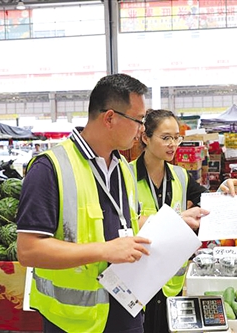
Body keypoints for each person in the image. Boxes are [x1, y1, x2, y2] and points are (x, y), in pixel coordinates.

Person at [16, 73, 152, 333]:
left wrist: (175, 224)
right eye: (138, 120)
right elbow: (29, 250)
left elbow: (126, 223)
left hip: (127, 309)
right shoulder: (50, 168)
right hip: (74, 321)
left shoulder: (123, 168)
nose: (141, 129)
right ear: (110, 118)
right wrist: (104, 250)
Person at [129, 109, 210, 333]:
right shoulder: (125, 176)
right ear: (145, 137)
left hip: (169, 286)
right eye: (166, 138)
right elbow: (126, 222)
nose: (173, 144)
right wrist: (176, 219)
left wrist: (228, 190)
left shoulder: (181, 177)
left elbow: (209, 203)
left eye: (176, 137)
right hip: (136, 282)